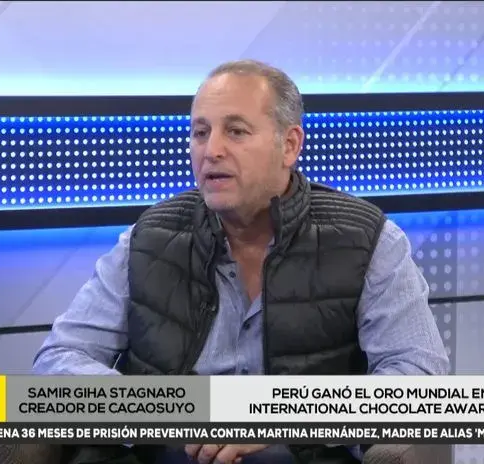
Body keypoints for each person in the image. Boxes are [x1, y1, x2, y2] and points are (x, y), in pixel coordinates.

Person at [33, 60, 450, 464]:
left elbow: (419, 379)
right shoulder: (150, 238)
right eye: (200, 132)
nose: (211, 150)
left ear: (290, 145)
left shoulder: (367, 240)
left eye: (236, 131)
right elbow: (58, 361)